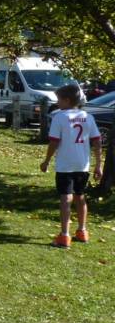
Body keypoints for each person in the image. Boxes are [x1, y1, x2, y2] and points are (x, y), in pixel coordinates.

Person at [41, 84, 103, 248]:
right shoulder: (87, 117)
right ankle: (82, 231)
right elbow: (97, 141)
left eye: (59, 100)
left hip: (65, 164)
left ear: (67, 100)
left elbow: (54, 142)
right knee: (80, 196)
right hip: (83, 163)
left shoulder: (59, 117)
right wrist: (98, 164)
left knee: (65, 197)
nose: (57, 103)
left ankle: (64, 235)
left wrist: (46, 160)